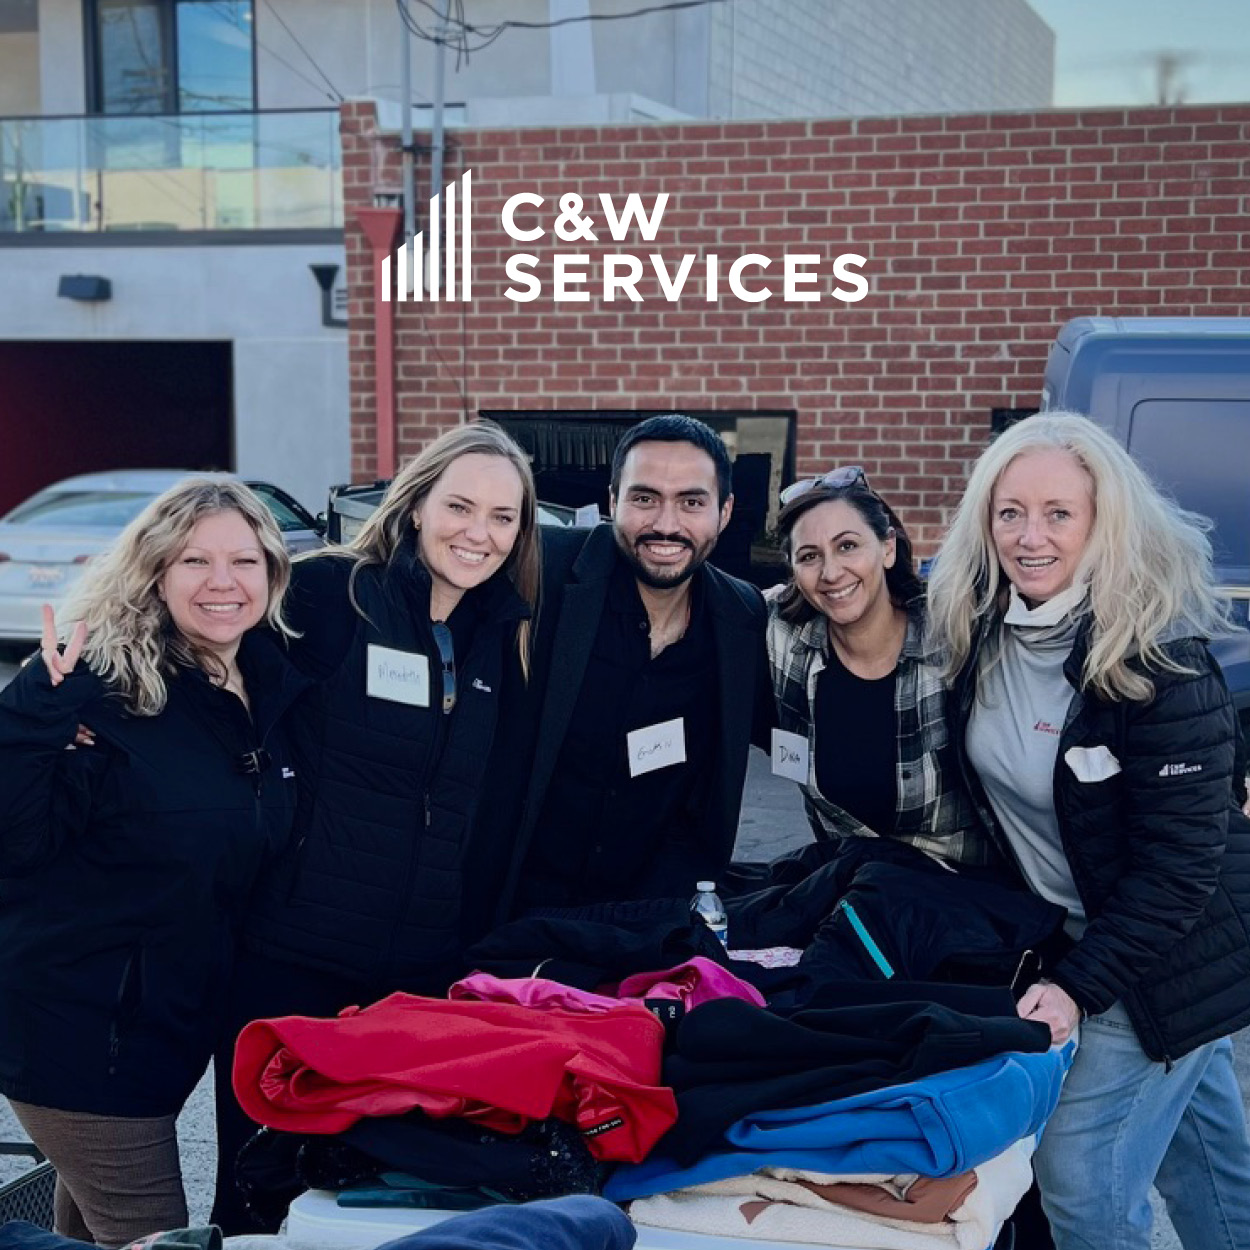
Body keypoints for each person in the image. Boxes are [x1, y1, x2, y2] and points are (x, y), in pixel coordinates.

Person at [927, 412, 1250, 1250]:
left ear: (1106, 522)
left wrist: (1078, 984)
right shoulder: (982, 635)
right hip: (1086, 936)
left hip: (1159, 950)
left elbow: (1180, 872)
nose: (1030, 537)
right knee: (1209, 1166)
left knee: (1079, 1178)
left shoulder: (1160, 661)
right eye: (1010, 512)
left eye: (1059, 513)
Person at [212, 419, 541, 1231]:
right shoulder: (331, 593)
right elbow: (202, 651)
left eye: (503, 517)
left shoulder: (501, 634)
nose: (480, 532)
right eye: (460, 506)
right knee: (262, 1196)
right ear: (418, 501)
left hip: (414, 975)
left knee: (373, 1203)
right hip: (293, 961)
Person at [0, 479, 308, 1245]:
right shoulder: (102, 689)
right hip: (80, 1039)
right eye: (193, 560)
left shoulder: (265, 684)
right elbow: (15, 845)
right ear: (155, 574)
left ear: (272, 572)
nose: (221, 582)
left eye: (243, 560)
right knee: (157, 1235)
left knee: (91, 1234)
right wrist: (32, 718)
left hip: (165, 1035)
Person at [488, 413, 774, 919]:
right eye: (645, 499)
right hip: (509, 905)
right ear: (613, 502)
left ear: (724, 512)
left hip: (643, 918)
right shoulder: (540, 571)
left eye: (691, 502)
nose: (667, 524)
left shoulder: (741, 615)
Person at [767, 466, 996, 868]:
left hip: (962, 895)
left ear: (887, 547)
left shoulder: (955, 635)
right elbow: (701, 601)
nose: (831, 572)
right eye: (809, 556)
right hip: (855, 890)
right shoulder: (785, 638)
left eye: (848, 546)